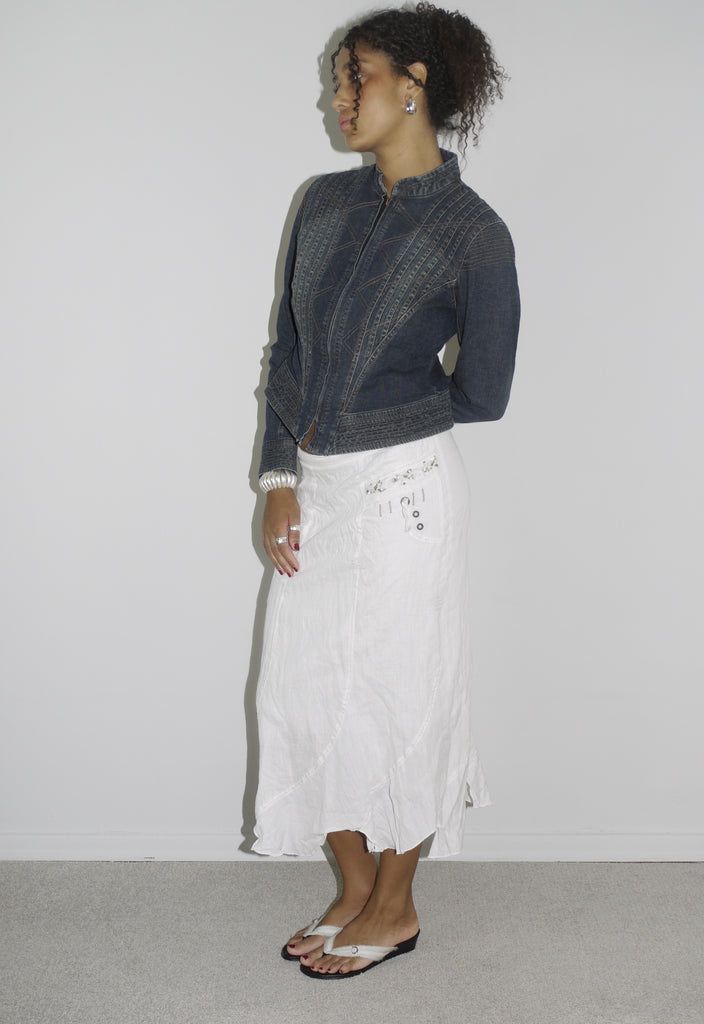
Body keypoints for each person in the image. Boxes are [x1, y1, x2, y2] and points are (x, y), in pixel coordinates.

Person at [252, 3, 520, 979]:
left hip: (405, 495)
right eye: (335, 78)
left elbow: (484, 389)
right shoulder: (320, 204)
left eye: (350, 76)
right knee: (307, 690)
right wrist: (279, 473)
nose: (336, 98)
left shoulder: (475, 234)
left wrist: (386, 422)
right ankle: (354, 885)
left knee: (407, 697)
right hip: (314, 491)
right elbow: (287, 355)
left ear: (412, 81)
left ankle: (397, 904)